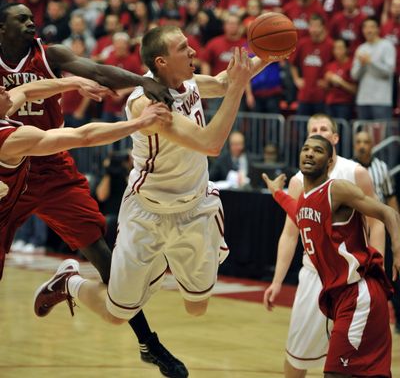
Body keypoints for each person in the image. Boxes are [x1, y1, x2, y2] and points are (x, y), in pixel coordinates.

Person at [33, 27, 284, 368]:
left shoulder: (189, 82)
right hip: (148, 214)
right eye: (184, 47)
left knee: (197, 307)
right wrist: (238, 89)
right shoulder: (146, 104)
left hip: (194, 208)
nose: (193, 50)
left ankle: (162, 261)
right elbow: (211, 142)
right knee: (118, 313)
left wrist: (265, 56)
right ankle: (70, 282)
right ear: (162, 61)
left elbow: (225, 81)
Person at [0, 1, 188, 378]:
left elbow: (98, 71)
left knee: (103, 256)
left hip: (50, 167)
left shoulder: (49, 54)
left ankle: (147, 342)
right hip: (7, 167)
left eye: (31, 16)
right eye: (20, 19)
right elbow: (28, 96)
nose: (31, 22)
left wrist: (141, 80)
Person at [0, 76, 171, 278]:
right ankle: (75, 287)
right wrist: (139, 122)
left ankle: (73, 287)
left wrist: (75, 82)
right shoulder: (11, 140)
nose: (4, 87)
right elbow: (83, 136)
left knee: (92, 239)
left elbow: (27, 90)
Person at [263, 134, 400, 377]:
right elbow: (297, 210)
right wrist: (276, 192)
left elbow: (388, 213)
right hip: (340, 297)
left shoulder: (337, 189)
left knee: (336, 373)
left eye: (317, 150)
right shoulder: (305, 199)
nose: (309, 153)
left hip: (359, 294)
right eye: (306, 148)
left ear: (329, 162)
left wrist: (397, 251)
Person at [353, 130, 400, 333]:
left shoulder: (382, 168)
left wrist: (395, 227)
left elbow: (390, 199)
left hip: (379, 229)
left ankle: (397, 318)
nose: (362, 145)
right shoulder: (348, 168)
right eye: (359, 142)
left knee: (389, 274)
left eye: (366, 142)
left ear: (372, 145)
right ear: (355, 145)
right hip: (355, 230)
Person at [351, 17, 396, 120]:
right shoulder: (361, 48)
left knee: (382, 134)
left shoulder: (387, 46)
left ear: (378, 29)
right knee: (364, 134)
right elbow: (354, 75)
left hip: (381, 100)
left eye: (371, 27)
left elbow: (389, 71)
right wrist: (362, 64)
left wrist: (371, 62)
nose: (368, 30)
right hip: (363, 100)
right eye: (365, 27)